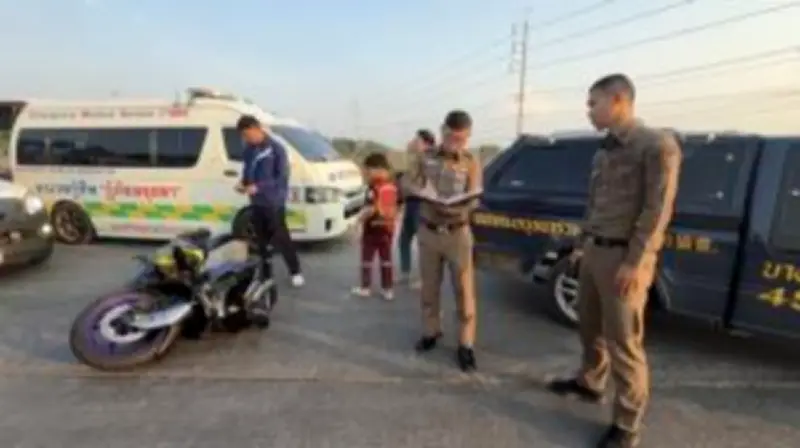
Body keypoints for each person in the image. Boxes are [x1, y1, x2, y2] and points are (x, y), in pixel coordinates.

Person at [545, 74, 681, 448]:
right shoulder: (604, 151)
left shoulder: (655, 145)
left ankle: (626, 423)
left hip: (625, 256)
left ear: (619, 100)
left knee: (624, 342)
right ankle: (590, 382)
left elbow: (657, 212)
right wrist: (579, 245)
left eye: (594, 103)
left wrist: (635, 263)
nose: (589, 111)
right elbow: (596, 203)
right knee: (589, 326)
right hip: (594, 251)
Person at [407, 110, 482, 372]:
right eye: (451, 137)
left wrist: (457, 205)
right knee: (430, 287)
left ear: (468, 137)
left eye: (461, 139)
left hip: (457, 232)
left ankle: (466, 344)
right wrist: (420, 190)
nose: (455, 143)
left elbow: (475, 198)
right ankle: (431, 332)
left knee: (464, 290)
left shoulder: (472, 162)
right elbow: (408, 184)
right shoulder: (424, 157)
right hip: (428, 231)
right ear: (442, 131)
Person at [234, 115, 305, 299]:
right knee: (261, 239)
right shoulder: (249, 150)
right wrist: (243, 183)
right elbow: (247, 171)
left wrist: (259, 186)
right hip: (256, 201)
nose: (246, 139)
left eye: (248, 134)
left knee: (281, 237)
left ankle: (295, 271)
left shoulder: (276, 149)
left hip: (273, 201)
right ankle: (266, 274)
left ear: (257, 128)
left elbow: (281, 178)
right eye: (243, 136)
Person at [351, 152, 399, 300]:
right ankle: (388, 289)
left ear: (376, 169)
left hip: (372, 228)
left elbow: (371, 208)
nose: (366, 174)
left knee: (367, 259)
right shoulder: (391, 185)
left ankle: (365, 287)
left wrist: (358, 220)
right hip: (387, 228)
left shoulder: (374, 187)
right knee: (386, 259)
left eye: (367, 170)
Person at [397, 129, 436, 288]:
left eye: (417, 140)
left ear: (426, 144)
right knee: (404, 240)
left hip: (421, 203)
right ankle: (405, 274)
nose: (413, 141)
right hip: (410, 202)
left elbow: (428, 183)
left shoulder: (430, 160)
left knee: (423, 243)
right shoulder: (414, 158)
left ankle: (424, 278)